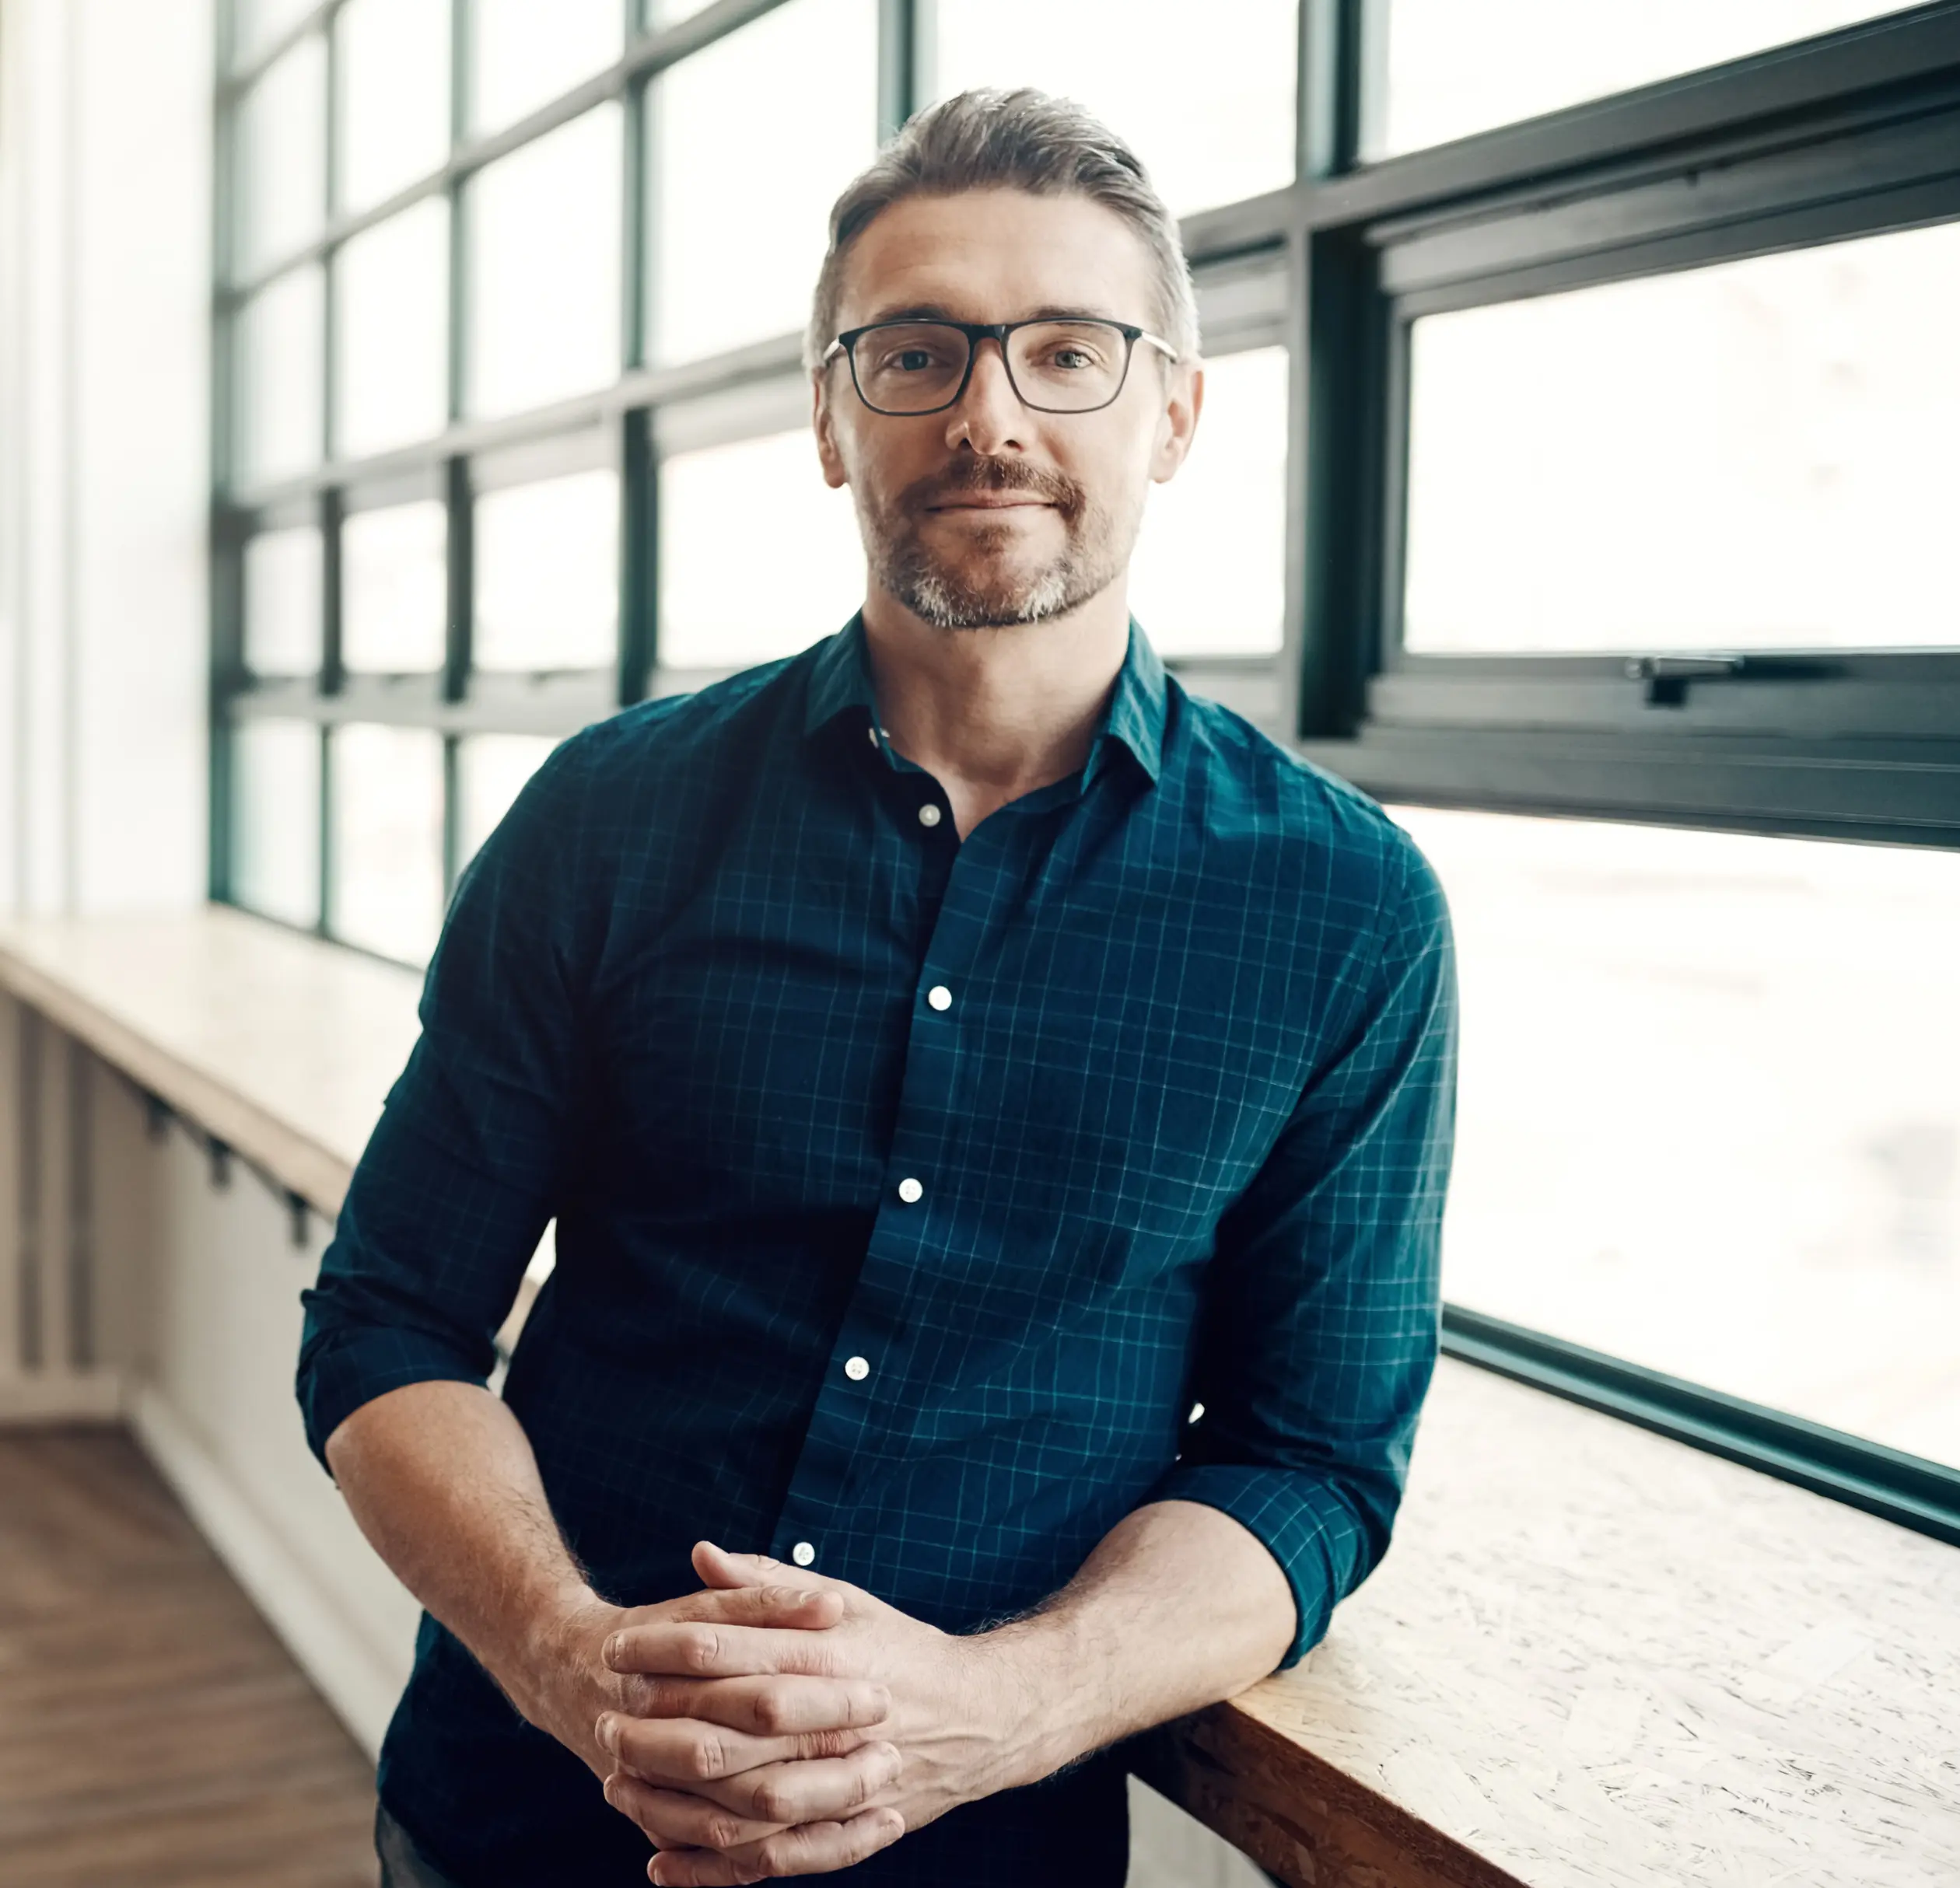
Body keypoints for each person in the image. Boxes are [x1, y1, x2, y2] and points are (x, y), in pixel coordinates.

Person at [297, 85, 1457, 1888]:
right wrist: (567, 1657)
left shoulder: (1344, 906)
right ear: (833, 421)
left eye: (1067, 350)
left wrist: (992, 1709)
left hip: (981, 1854)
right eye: (916, 352)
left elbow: (1314, 1462)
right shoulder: (608, 816)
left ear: (1178, 412)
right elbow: (385, 1319)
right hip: (524, 1818)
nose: (990, 417)